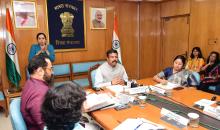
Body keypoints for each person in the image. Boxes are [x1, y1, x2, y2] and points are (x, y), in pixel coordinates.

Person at [21, 55, 54, 130]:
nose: (52, 72)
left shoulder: (30, 83)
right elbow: (44, 126)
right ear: (40, 71)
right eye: (50, 69)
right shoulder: (39, 93)